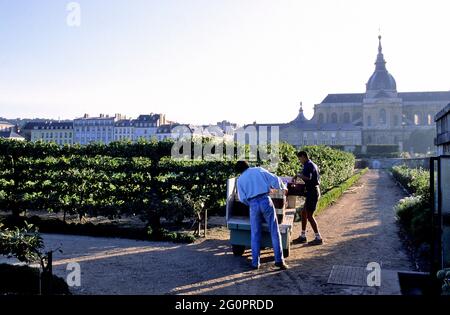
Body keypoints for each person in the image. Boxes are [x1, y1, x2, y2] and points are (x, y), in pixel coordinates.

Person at [235, 160, 289, 270]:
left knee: (255, 234)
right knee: (274, 231)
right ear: (248, 165)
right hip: (265, 201)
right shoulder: (258, 170)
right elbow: (274, 179)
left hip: (253, 204)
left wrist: (250, 203)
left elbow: (242, 198)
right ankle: (279, 261)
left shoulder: (240, 180)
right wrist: (283, 188)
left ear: (239, 170)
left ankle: (255, 263)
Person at [293, 151, 323, 245]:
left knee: (309, 215)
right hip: (312, 191)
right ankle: (303, 236)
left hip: (313, 192)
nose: (299, 161)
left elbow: (308, 178)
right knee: (304, 213)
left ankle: (318, 238)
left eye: (299, 158)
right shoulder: (310, 164)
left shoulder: (309, 165)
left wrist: (298, 175)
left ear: (303, 156)